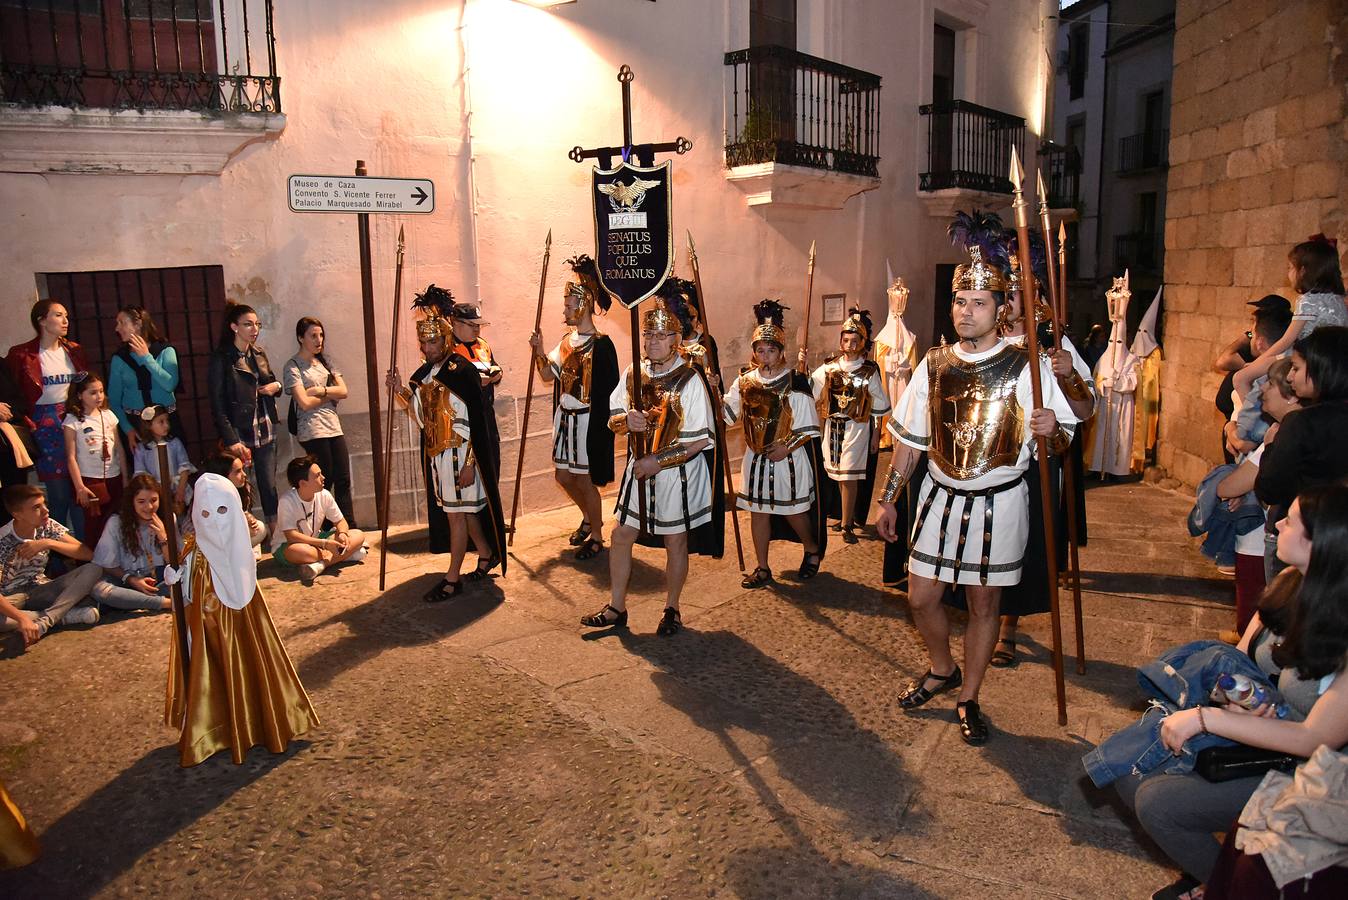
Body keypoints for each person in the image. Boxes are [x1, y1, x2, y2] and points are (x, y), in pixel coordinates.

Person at [875, 220, 1076, 746]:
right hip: (939, 499)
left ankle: (970, 696)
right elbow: (911, 441)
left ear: (1000, 308)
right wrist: (889, 499)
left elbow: (1062, 440)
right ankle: (943, 668)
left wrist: (1052, 429)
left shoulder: (1026, 365)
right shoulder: (934, 364)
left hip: (1001, 503)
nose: (966, 310)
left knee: (985, 605)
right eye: (960, 300)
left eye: (978, 302)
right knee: (921, 598)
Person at [1114, 483, 1348, 896]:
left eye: (1292, 520)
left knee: (1159, 803)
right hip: (1265, 738)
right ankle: (1218, 875)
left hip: (1314, 774)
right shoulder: (1291, 583)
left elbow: (1316, 738)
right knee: (1125, 770)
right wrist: (1230, 699)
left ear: (1323, 542)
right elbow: (1240, 658)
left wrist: (1208, 717)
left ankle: (1223, 885)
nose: (1278, 523)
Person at [983, 246, 1096, 669]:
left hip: (1032, 463)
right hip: (984, 461)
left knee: (1022, 543)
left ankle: (1007, 627)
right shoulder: (980, 343)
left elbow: (1084, 411)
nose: (1012, 300)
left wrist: (1067, 375)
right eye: (1007, 292)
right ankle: (984, 615)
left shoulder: (1051, 343)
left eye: (1019, 293)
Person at [579, 299, 720, 636]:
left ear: (675, 339)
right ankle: (617, 607)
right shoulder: (634, 373)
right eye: (648, 335)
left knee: (675, 541)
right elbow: (612, 418)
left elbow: (700, 440)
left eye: (660, 335)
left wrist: (658, 461)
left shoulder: (690, 380)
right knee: (621, 534)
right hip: (639, 470)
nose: (652, 341)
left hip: (677, 474)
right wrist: (626, 420)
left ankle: (671, 608)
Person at [164, 472, 319, 767]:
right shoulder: (193, 551)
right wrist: (176, 577)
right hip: (207, 636)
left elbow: (245, 593)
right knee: (211, 678)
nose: (214, 522)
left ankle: (259, 721)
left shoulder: (243, 554)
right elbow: (185, 596)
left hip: (241, 630)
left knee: (251, 665)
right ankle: (212, 729)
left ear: (234, 509)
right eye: (205, 514)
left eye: (222, 511)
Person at [390, 290, 506, 600]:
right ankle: (485, 553)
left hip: (460, 457)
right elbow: (422, 417)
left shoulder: (461, 371)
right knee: (463, 513)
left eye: (433, 342)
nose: (427, 349)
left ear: (444, 341)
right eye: (423, 344)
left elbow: (474, 422)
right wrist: (400, 390)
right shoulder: (427, 376)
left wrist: (469, 464)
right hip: (440, 457)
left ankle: (451, 579)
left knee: (456, 516)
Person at [723, 300, 826, 588]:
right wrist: (710, 386)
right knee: (758, 512)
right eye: (760, 350)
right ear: (753, 352)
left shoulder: (794, 382)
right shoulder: (743, 382)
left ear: (781, 352)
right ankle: (763, 567)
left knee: (794, 512)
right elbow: (727, 415)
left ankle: (812, 549)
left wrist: (787, 447)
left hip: (788, 459)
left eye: (771, 350)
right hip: (755, 459)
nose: (765, 355)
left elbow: (809, 427)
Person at [528, 255, 620, 559]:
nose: (565, 310)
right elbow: (546, 374)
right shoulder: (566, 342)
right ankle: (588, 518)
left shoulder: (602, 344)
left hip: (587, 422)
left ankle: (596, 535)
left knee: (583, 478)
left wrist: (606, 430)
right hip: (565, 420)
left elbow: (611, 393)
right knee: (563, 477)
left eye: (569, 305)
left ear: (582, 305)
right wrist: (540, 351)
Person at [1253, 326, 1348, 584]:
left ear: (1321, 368)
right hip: (1341, 540)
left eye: (1296, 367)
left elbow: (1269, 488)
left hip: (1303, 538)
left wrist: (1271, 445)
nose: (1291, 377)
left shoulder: (1301, 423)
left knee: (1290, 614)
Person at [1217, 359, 1300, 636]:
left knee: (1268, 608)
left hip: (1274, 537)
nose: (1262, 387)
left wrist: (1245, 486)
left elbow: (1235, 486)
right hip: (1275, 533)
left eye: (1271, 383)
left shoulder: (1284, 435)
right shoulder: (1279, 432)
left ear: (1290, 394)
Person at [4, 299, 90, 531]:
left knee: (78, 490)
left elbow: (87, 385)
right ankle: (55, 553)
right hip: (44, 425)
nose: (65, 321)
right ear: (42, 320)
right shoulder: (22, 355)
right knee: (58, 493)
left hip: (73, 419)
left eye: (66, 316)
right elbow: (12, 390)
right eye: (58, 315)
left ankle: (82, 549)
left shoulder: (74, 350)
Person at [810, 305, 890, 543]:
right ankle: (842, 517)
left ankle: (847, 524)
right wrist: (802, 365)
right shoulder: (830, 367)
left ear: (863, 342)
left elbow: (880, 405)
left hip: (857, 428)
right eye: (846, 340)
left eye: (855, 341)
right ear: (841, 341)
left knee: (848, 476)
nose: (850, 345)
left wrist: (876, 434)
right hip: (833, 428)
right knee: (836, 475)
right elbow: (809, 388)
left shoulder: (868, 371)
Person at [1234, 236, 1347, 398]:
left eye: (1290, 268)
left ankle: (1252, 422)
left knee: (1241, 378)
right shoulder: (1337, 299)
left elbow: (1286, 340)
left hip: (1306, 358)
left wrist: (1257, 362)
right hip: (1332, 362)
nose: (1288, 274)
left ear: (1302, 271)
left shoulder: (1308, 300)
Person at [207, 303, 281, 546]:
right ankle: (241, 540)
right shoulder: (222, 358)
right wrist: (231, 439)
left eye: (257, 324)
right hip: (241, 431)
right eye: (248, 324)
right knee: (239, 487)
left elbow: (271, 382)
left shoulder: (258, 353)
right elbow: (217, 403)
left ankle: (276, 538)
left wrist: (276, 387)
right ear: (234, 327)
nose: (254, 329)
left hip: (265, 427)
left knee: (268, 485)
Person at [0, 484, 101, 642]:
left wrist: (48, 543)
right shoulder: (3, 540)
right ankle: (65, 615)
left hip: (41, 589)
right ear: (17, 514)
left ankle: (47, 620)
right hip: (11, 598)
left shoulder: (47, 525)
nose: (46, 510)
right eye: (36, 507)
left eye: (44, 503)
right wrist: (21, 618)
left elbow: (87, 555)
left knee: (93, 569)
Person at [282, 316, 356, 527]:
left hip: (333, 426)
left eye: (321, 335)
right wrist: (328, 395)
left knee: (343, 478)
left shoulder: (326, 361)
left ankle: (348, 525)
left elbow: (343, 390)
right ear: (300, 338)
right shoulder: (293, 366)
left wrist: (320, 390)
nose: (319, 340)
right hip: (312, 429)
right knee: (325, 479)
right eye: (313, 336)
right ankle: (323, 528)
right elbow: (303, 403)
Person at [89, 473, 174, 614]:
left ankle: (133, 602)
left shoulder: (168, 518)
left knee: (188, 583)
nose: (149, 507)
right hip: (126, 579)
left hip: (159, 579)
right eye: (141, 501)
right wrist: (132, 580)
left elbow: (175, 564)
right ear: (132, 502)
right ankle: (166, 603)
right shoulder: (116, 523)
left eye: (154, 500)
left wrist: (163, 538)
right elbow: (106, 564)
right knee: (98, 589)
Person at [275, 455, 367, 585]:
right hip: (288, 545)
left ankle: (320, 565)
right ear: (303, 483)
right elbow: (291, 537)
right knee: (301, 552)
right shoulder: (287, 501)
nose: (323, 478)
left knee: (358, 534)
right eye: (317, 476)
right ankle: (346, 555)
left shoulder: (324, 494)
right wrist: (325, 544)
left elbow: (341, 522)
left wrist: (342, 534)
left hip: (316, 541)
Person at [105, 305, 181, 456]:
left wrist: (147, 358)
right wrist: (128, 429)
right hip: (136, 423)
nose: (117, 328)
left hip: (165, 421)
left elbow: (170, 384)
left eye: (122, 322)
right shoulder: (119, 359)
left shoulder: (165, 351)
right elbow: (113, 400)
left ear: (138, 324)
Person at [62, 371, 126, 548]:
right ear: (79, 395)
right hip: (90, 479)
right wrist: (80, 487)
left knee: (115, 521)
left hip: (113, 475)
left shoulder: (109, 415)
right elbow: (71, 457)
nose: (98, 396)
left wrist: (126, 477)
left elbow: (119, 448)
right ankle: (91, 564)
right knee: (93, 526)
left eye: (101, 391)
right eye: (92, 392)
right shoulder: (72, 420)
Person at [448, 301, 504, 472]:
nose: (477, 330)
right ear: (455, 322)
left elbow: (494, 368)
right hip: (462, 421)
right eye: (471, 325)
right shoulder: (447, 349)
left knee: (492, 467)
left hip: (486, 415)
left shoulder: (482, 345)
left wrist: (496, 374)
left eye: (478, 325)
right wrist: (474, 382)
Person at [872, 270, 918, 451]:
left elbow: (913, 364)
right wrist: (892, 364)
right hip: (888, 380)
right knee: (889, 405)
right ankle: (887, 438)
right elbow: (880, 362)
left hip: (902, 381)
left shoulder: (910, 337)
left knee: (903, 405)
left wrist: (905, 368)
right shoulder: (882, 339)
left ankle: (902, 435)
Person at [195, 450, 267, 552]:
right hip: (210, 546)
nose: (244, 475)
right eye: (238, 471)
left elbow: (240, 514)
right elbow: (217, 530)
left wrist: (248, 519)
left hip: (231, 539)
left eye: (242, 469)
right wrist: (243, 529)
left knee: (260, 528)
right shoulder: (210, 496)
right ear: (223, 475)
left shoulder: (243, 488)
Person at [130, 405, 193, 516]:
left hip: (176, 489)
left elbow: (184, 467)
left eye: (167, 421)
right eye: (161, 422)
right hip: (155, 492)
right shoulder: (142, 449)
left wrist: (181, 489)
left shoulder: (175, 443)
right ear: (149, 425)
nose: (166, 425)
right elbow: (140, 473)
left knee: (180, 514)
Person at [0, 362, 35, 529]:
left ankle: (16, 550)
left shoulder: (1, 364)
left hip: (9, 448)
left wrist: (6, 413)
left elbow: (20, 402)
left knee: (15, 501)